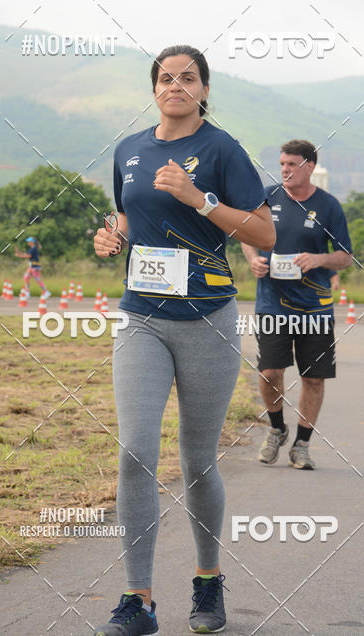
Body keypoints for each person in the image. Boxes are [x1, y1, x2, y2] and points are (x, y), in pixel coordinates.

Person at [92, 45, 274, 636]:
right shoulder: (130, 149)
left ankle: (207, 580)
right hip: (141, 316)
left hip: (208, 318)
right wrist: (111, 237)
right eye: (165, 78)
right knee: (136, 449)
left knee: (197, 460)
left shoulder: (222, 149)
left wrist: (201, 200)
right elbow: (128, 213)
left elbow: (264, 231)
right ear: (153, 89)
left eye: (187, 78)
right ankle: (138, 601)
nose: (175, 86)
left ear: (203, 89)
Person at [242, 139, 352, 471]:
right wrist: (253, 260)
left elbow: (345, 256)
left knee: (313, 378)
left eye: (292, 164)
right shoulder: (267, 196)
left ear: (310, 166)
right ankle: (277, 428)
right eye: (283, 164)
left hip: (315, 308)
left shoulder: (329, 205)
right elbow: (247, 235)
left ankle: (302, 444)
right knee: (270, 372)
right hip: (272, 304)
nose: (286, 170)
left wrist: (319, 258)